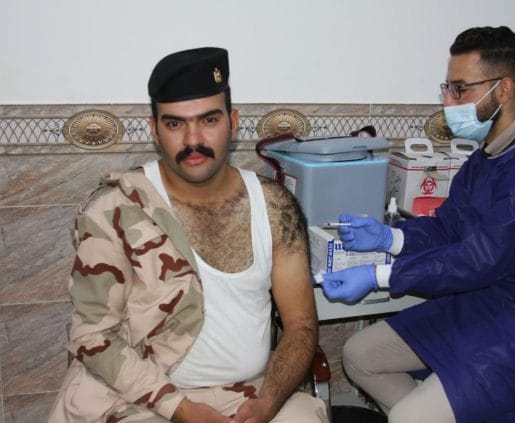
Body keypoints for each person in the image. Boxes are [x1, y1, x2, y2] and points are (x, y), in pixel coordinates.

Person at [320, 26, 515, 423]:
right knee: (360, 356)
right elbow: (450, 230)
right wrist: (390, 237)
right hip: (484, 307)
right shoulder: (486, 159)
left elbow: (479, 259)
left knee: (409, 417)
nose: (449, 102)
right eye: (447, 89)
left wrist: (380, 275)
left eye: (460, 89)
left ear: (503, 88)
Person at [49, 47, 327, 423]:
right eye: (175, 124)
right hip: (144, 398)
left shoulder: (274, 206)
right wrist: (178, 408)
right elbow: (92, 336)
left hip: (253, 394)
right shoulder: (116, 208)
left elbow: (301, 326)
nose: (193, 140)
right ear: (154, 129)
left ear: (233, 122)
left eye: (209, 120)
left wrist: (268, 402)